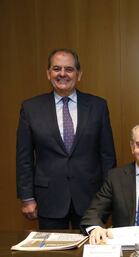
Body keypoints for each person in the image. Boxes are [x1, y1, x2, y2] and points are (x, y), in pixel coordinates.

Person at [16, 48, 116, 229]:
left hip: (91, 199)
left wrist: (108, 197)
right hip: (48, 199)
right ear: (48, 73)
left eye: (69, 69)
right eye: (56, 69)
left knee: (91, 252)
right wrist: (27, 197)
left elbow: (107, 156)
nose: (62, 74)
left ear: (79, 74)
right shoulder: (31, 108)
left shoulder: (98, 106)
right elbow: (24, 158)